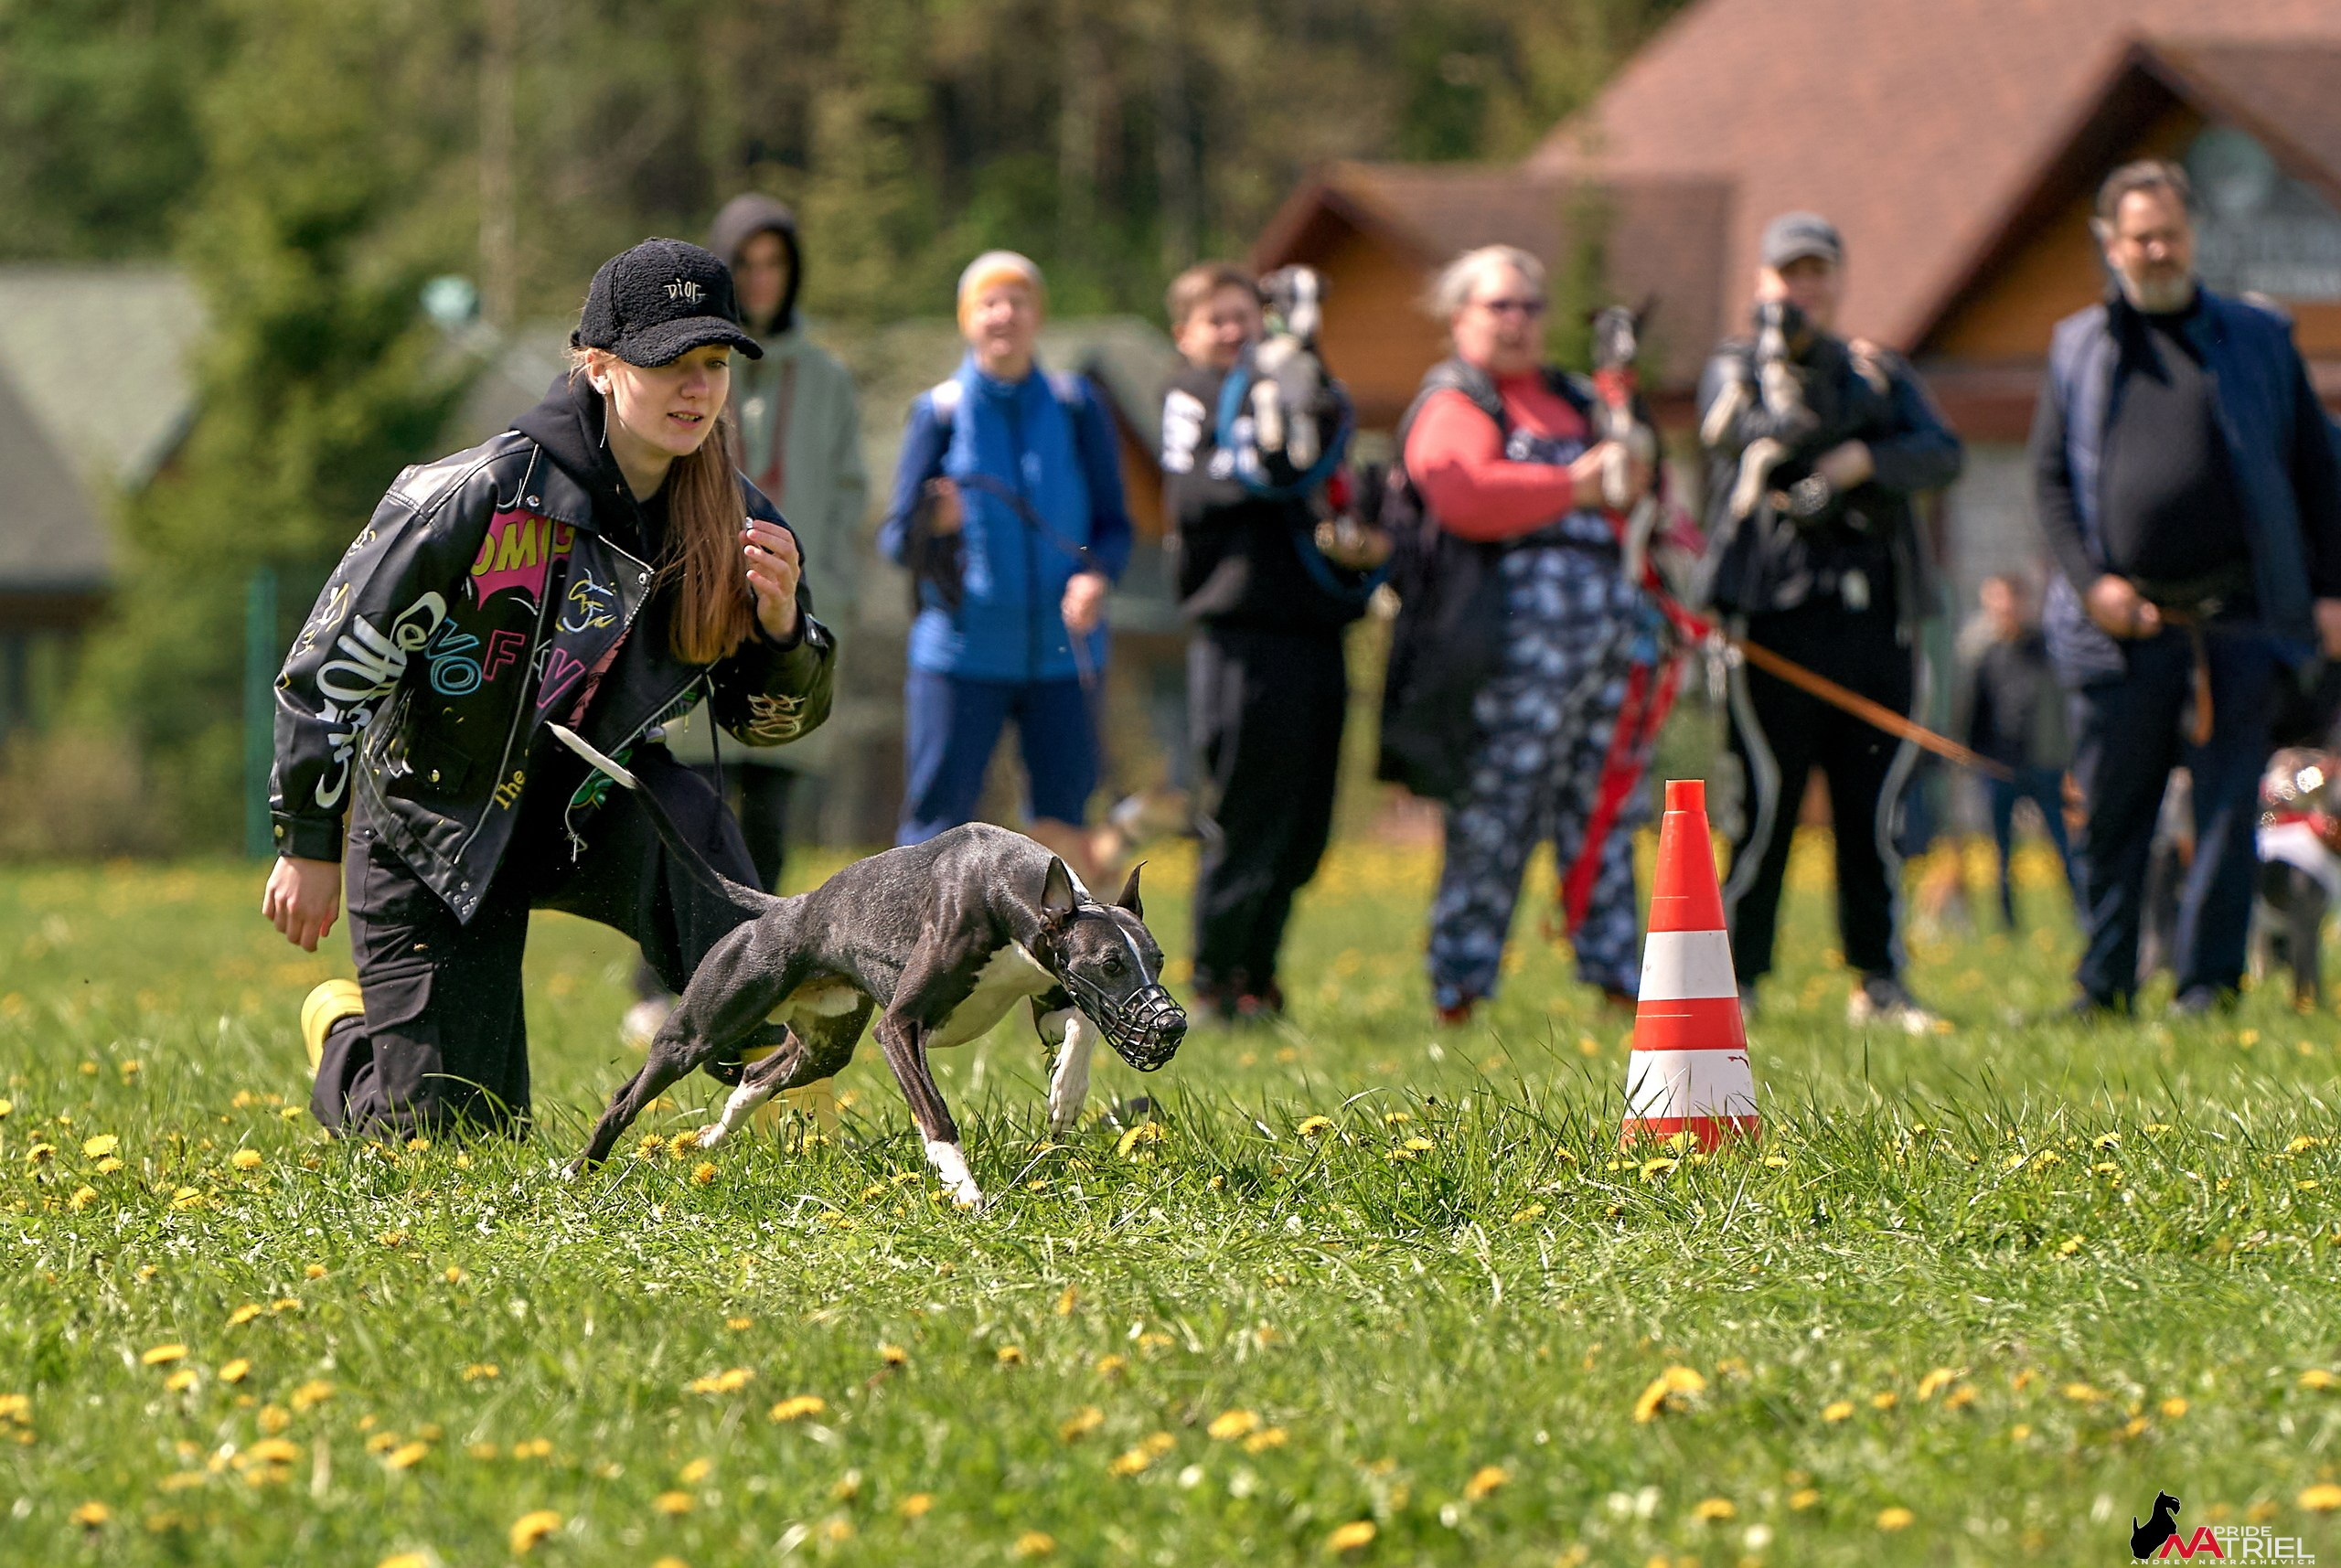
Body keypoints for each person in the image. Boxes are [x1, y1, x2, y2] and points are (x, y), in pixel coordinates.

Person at [264, 238, 836, 1137]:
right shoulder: (478, 495)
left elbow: (770, 724)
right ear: (601, 367)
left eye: (715, 364)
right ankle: (346, 1036)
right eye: (669, 363)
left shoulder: (743, 518)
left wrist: (782, 632)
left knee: (687, 810)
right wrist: (308, 841)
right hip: (432, 819)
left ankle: (772, 1044)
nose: (697, 388)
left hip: (586, 805)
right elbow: (331, 668)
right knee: (451, 1141)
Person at [2031, 159, 2341, 1017]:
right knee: (2114, 813)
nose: (2158, 250)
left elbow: (2322, 472)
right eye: (2141, 237)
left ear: (2192, 235)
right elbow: (2051, 484)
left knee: (2225, 813)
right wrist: (2093, 587)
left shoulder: (2259, 337)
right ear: (2110, 244)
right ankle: (2104, 984)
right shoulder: (2076, 346)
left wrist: (2330, 590)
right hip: (2123, 627)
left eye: (2171, 232)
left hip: (2239, 618)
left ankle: (2208, 987)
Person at [1697, 211, 1963, 1032]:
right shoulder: (1737, 368)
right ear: (1762, 284)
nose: (1804, 288)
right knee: (1763, 808)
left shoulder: (1877, 369)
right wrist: (1813, 404)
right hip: (1768, 629)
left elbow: (1942, 452)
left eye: (1819, 271)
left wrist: (1864, 463)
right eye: (1789, 273)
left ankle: (1879, 981)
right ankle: (1736, 983)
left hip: (1874, 625)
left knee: (1871, 809)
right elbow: (1742, 434)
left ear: (1839, 280)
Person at [1395, 244, 1655, 1023]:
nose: (1516, 322)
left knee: (1604, 808)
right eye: (1497, 306)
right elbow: (1463, 493)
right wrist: (1575, 484)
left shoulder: (1575, 400)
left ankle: (1619, 981)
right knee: (1495, 815)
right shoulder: (1458, 400)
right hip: (1505, 652)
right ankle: (1462, 989)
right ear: (1458, 317)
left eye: (1530, 307)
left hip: (1609, 638)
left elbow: (1638, 483)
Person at [1160, 261, 1384, 1022]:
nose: (1234, 332)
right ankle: (1217, 976)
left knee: (1305, 822)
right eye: (1215, 319)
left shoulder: (1300, 387)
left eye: (1245, 318)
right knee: (1246, 811)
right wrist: (1267, 462)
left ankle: (1262, 972)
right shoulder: (1189, 397)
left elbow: (1332, 471)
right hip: (1240, 633)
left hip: (1316, 625)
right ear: (1185, 334)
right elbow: (1193, 492)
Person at [877, 251, 1131, 888]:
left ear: (1037, 315)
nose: (1005, 314)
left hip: (1064, 655)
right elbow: (895, 540)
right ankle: (914, 968)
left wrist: (1095, 576)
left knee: (1064, 829)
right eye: (990, 302)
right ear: (968, 319)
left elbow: (1115, 527)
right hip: (959, 656)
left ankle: (1062, 982)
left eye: (1018, 301)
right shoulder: (937, 412)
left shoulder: (1079, 407)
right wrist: (935, 526)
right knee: (934, 828)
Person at [657, 194, 865, 891]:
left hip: (789, 610)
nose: (761, 278)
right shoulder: (688, 363)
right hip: (698, 605)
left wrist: (828, 587)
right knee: (687, 801)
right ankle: (659, 988)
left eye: (775, 263)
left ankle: (759, 974)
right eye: (744, 263)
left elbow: (848, 494)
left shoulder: (829, 378)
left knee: (771, 811)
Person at [1961, 572, 2073, 928]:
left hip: (2044, 764)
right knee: (2001, 854)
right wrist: (1973, 755)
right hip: (1997, 768)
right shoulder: (1983, 655)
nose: (2004, 608)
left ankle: (2082, 917)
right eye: (1996, 600)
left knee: (2064, 848)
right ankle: (2007, 925)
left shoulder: (2047, 649)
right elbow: (1971, 715)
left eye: (2009, 599)